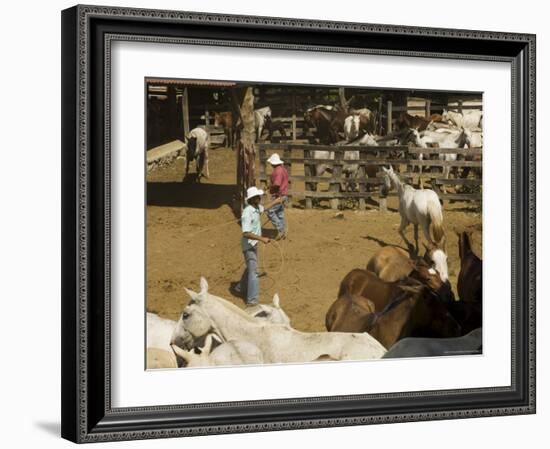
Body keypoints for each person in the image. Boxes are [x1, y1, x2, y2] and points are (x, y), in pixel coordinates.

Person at [232, 186, 282, 306]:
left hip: (253, 244)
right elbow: (246, 233)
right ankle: (252, 301)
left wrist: (275, 201)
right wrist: (262, 238)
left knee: (251, 267)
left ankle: (239, 288)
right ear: (253, 199)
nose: (260, 198)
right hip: (248, 245)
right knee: (253, 271)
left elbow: (264, 208)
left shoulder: (255, 208)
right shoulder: (247, 213)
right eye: (258, 197)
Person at [266, 153, 289, 239]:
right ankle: (283, 231)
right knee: (280, 213)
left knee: (269, 211)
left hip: (279, 196)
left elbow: (277, 184)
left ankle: (280, 229)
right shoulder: (283, 169)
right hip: (283, 195)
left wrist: (270, 187)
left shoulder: (278, 171)